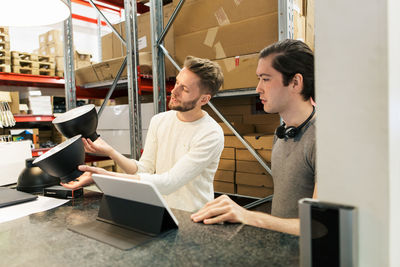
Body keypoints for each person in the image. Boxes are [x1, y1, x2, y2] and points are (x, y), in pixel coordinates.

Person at [62, 56, 225, 212]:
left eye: (185, 89)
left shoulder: (210, 134)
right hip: (163, 211)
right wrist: (110, 151)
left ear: (204, 100)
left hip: (194, 218)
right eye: (177, 82)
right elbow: (143, 170)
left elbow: (169, 182)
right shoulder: (159, 121)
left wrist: (105, 176)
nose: (174, 91)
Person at [191, 39, 316, 235]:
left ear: (295, 82)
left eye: (266, 79)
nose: (258, 88)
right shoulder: (282, 134)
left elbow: (320, 226)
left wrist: (247, 215)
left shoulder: (321, 139)